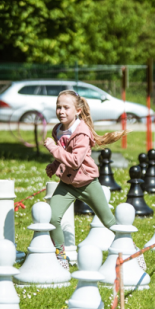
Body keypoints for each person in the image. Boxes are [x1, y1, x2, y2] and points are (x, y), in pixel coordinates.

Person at [44, 90, 127, 269]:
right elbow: (63, 154)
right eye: (58, 107)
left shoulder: (82, 132)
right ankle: (61, 256)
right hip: (67, 184)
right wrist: (54, 165)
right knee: (52, 217)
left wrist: (52, 149)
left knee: (108, 221)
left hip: (87, 183)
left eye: (66, 107)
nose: (61, 111)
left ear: (78, 111)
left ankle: (131, 249)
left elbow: (75, 161)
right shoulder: (57, 130)